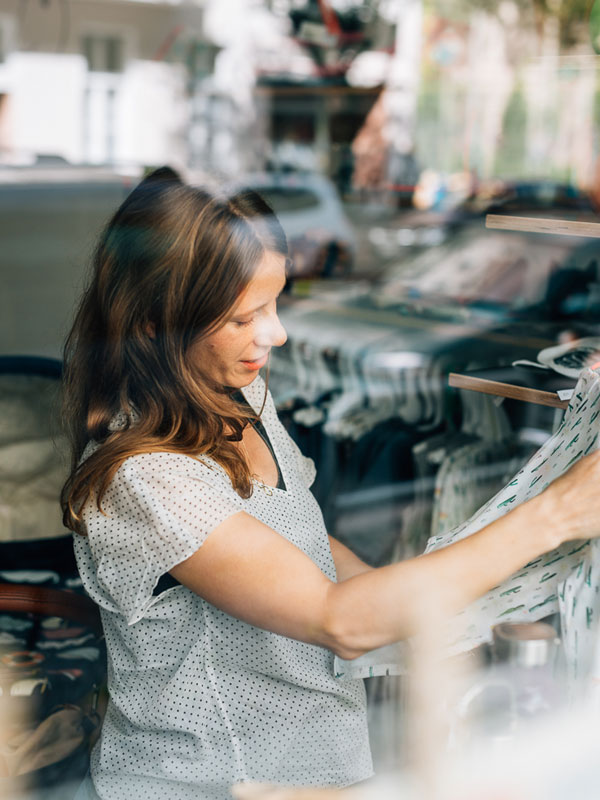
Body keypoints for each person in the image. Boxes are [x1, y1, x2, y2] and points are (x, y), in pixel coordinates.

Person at [63, 167, 600, 800]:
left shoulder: (238, 395)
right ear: (154, 325)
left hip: (319, 770)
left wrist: (424, 608)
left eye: (275, 302)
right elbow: (336, 619)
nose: (277, 333)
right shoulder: (147, 479)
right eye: (243, 318)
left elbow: (308, 545)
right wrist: (552, 515)